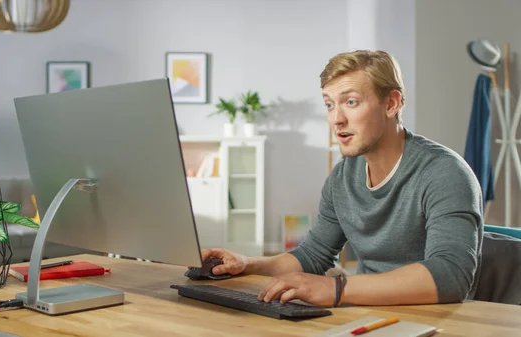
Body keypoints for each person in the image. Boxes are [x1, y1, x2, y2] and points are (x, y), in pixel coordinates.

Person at [200, 50, 484, 307]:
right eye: (329, 104)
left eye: (350, 101)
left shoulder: (444, 173)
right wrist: (246, 264)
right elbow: (313, 256)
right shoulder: (343, 177)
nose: (336, 119)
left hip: (437, 319)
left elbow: (450, 276)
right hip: (369, 313)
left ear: (391, 103)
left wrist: (337, 289)